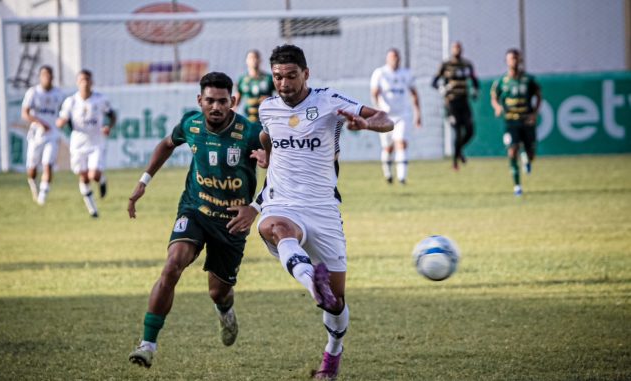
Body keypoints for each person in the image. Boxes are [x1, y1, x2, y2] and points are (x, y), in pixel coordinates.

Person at [254, 44, 393, 380]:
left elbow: (385, 119)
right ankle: (312, 284)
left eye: (290, 76)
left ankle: (333, 352)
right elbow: (267, 136)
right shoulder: (267, 108)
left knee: (337, 303)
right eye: (277, 77)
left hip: (323, 208)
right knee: (275, 228)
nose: (284, 83)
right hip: (282, 203)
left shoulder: (329, 100)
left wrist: (366, 125)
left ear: (306, 74)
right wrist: (266, 157)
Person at [127, 72, 263, 369]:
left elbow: (280, 167)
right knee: (172, 265)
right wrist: (144, 180)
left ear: (233, 102)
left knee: (218, 291)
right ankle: (147, 345)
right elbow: (166, 144)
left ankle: (225, 312)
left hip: (232, 223)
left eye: (222, 101)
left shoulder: (252, 132)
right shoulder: (191, 124)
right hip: (195, 210)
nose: (216, 106)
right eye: (210, 100)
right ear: (199, 100)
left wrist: (255, 206)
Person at [56, 69, 116, 217]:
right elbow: (62, 118)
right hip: (78, 143)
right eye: (82, 80)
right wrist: (60, 122)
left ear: (92, 82)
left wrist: (109, 126)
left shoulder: (100, 99)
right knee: (83, 176)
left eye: (87, 80)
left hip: (96, 141)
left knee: (93, 174)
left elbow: (112, 115)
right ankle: (93, 210)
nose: (85, 83)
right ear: (77, 82)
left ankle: (101, 180)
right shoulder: (71, 102)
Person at [491, 48, 542, 196]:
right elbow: (494, 97)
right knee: (512, 151)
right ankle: (517, 186)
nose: (513, 61)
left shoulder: (528, 80)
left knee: (531, 153)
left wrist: (534, 113)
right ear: (506, 61)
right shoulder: (501, 82)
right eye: (511, 58)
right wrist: (497, 107)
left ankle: (527, 158)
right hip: (510, 122)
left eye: (515, 58)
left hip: (526, 121)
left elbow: (539, 96)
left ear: (519, 60)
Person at [370, 48, 421, 184]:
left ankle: (402, 178)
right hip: (385, 116)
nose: (394, 59)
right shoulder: (380, 73)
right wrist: (377, 110)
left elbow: (414, 94)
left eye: (396, 57)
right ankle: (388, 175)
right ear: (387, 59)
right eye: (392, 57)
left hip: (403, 114)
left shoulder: (407, 73)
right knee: (388, 147)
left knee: (402, 143)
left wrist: (418, 114)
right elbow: (374, 92)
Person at [432, 41, 480, 170]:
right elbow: (434, 81)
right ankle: (455, 162)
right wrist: (442, 88)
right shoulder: (446, 64)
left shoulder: (467, 64)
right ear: (451, 50)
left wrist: (475, 91)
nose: (457, 50)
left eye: (459, 48)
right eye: (455, 48)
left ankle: (459, 151)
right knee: (457, 131)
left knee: (470, 130)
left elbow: (475, 80)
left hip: (464, 101)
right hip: (451, 103)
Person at [21, 65, 63, 205]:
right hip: (36, 135)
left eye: (49, 75)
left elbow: (63, 113)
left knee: (47, 164)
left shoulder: (58, 93)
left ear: (52, 77)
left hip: (52, 134)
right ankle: (33, 185)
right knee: (32, 170)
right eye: (44, 75)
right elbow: (25, 113)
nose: (47, 77)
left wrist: (61, 121)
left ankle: (42, 198)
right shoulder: (33, 93)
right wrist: (40, 123)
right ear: (40, 77)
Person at [233, 49, 275, 124]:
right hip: (247, 118)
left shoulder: (268, 78)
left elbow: (280, 96)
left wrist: (270, 100)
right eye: (251, 58)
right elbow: (236, 101)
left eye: (256, 57)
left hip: (266, 118)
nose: (254, 60)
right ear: (246, 61)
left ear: (260, 60)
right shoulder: (242, 79)